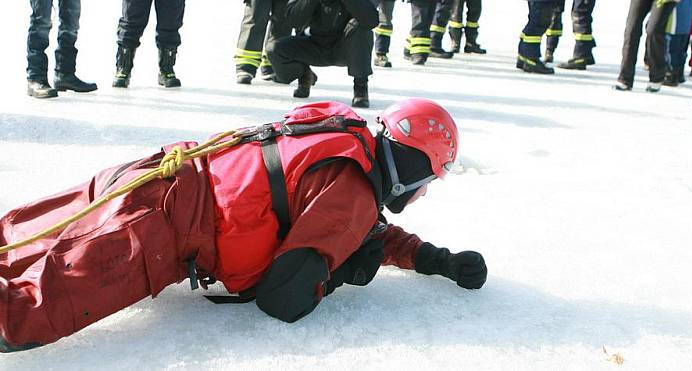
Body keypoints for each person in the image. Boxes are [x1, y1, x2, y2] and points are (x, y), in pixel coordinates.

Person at [0, 98, 487, 352]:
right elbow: (283, 297)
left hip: (161, 174)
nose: (423, 192)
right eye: (428, 180)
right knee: (20, 318)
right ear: (414, 167)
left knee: (15, 238)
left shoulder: (346, 134)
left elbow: (357, 223)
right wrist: (333, 277)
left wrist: (436, 261)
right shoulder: (355, 196)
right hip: (158, 232)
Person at [268, 0, 378, 107]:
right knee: (274, 50)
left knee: (361, 28)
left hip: (344, 48)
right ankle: (304, 75)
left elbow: (371, 21)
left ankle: (360, 88)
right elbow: (292, 21)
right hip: (314, 46)